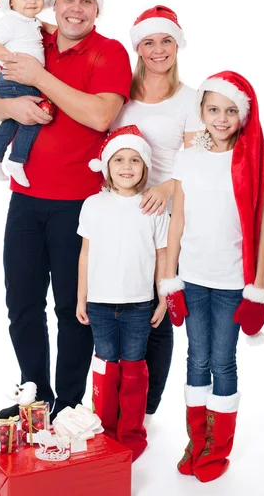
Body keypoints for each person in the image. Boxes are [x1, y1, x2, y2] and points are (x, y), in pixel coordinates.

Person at [0, 0, 132, 420]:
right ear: (52, 1)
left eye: (87, 1)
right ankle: (36, 395)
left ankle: (68, 403)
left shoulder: (110, 53)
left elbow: (101, 116)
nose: (76, 9)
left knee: (72, 307)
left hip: (79, 207)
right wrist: (17, 106)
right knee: (22, 302)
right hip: (25, 201)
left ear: (97, 10)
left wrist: (41, 79)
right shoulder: (31, 38)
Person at [160, 71, 264, 482]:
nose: (221, 119)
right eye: (213, 109)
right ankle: (196, 441)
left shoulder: (253, 159)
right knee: (196, 359)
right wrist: (168, 278)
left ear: (242, 115)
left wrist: (257, 288)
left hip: (230, 282)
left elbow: (262, 227)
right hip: (192, 277)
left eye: (230, 111)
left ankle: (216, 450)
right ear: (201, 112)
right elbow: (178, 220)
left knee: (223, 363)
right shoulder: (187, 157)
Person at [111, 5, 202, 418]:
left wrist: (168, 186)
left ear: (177, 46)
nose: (158, 49)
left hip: (168, 214)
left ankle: (146, 407)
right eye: (149, 41)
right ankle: (115, 396)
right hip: (121, 214)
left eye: (166, 40)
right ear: (138, 48)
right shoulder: (121, 97)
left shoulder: (190, 98)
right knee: (119, 302)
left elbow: (202, 156)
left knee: (156, 307)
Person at [76, 125, 169, 461]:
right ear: (106, 165)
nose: (126, 166)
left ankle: (131, 433)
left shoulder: (152, 207)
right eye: (118, 159)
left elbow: (161, 255)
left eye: (134, 160)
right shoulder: (93, 205)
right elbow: (85, 253)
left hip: (139, 305)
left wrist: (162, 298)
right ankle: (106, 430)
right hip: (100, 304)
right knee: (105, 365)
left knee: (133, 368)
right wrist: (80, 297)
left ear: (144, 167)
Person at [0, 0, 52, 187]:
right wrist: (9, 58)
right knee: (33, 116)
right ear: (10, 2)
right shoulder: (10, 20)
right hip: (15, 79)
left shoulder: (33, 22)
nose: (32, 1)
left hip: (23, 81)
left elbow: (55, 29)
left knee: (14, 120)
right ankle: (17, 160)